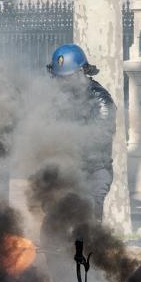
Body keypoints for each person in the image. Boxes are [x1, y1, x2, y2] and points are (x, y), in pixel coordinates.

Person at [45, 43, 116, 215]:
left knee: (86, 223)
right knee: (53, 223)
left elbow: (101, 136)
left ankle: (82, 243)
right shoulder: (59, 99)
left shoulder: (101, 99)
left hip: (94, 172)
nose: (62, 82)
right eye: (59, 78)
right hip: (66, 169)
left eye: (66, 78)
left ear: (81, 72)